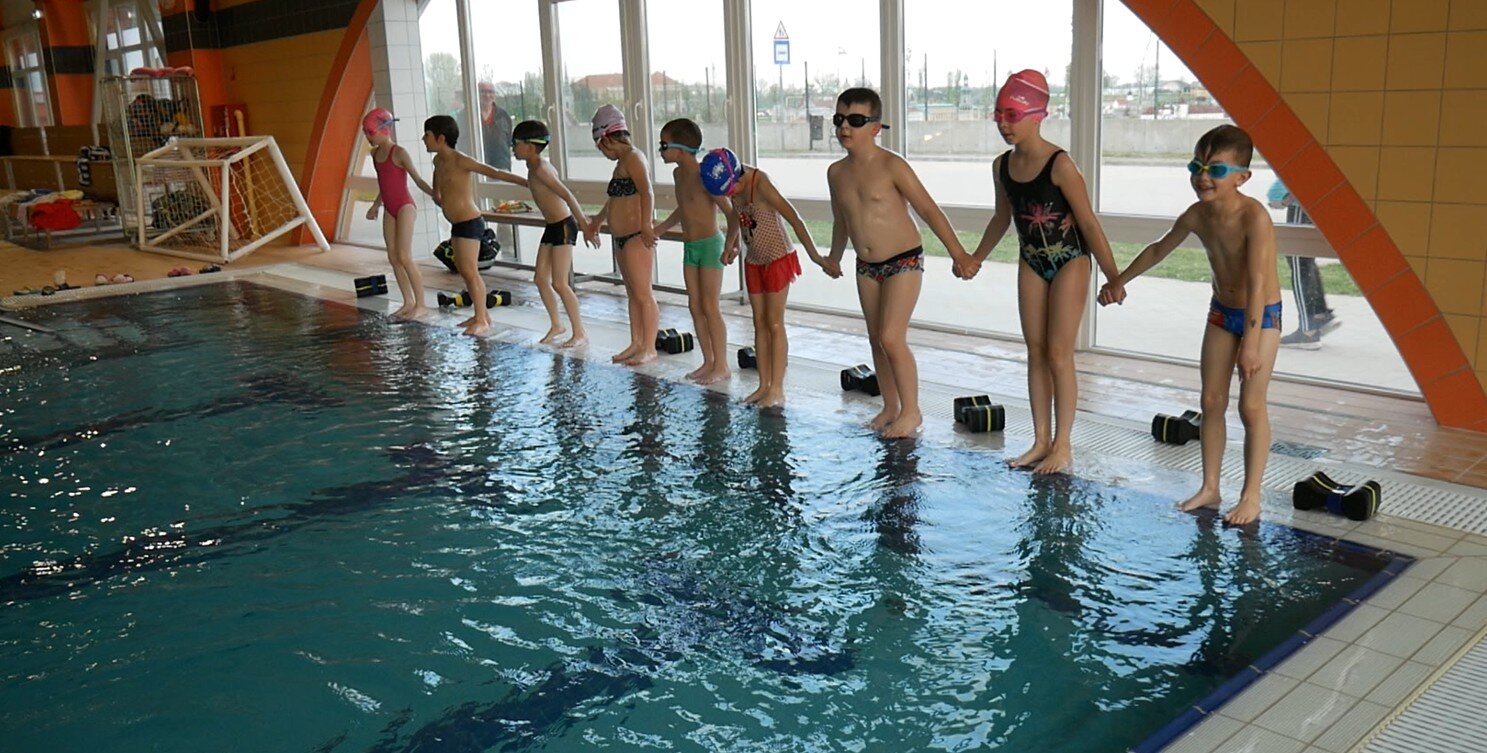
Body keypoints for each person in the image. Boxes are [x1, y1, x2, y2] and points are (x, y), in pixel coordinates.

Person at [1099, 124, 1282, 526]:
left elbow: (1257, 284)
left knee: (1251, 405)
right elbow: (1158, 250)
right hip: (1221, 312)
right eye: (1197, 166)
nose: (1203, 176)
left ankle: (1251, 497)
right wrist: (1119, 281)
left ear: (1242, 177)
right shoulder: (1197, 215)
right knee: (1211, 402)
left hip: (1262, 316)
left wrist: (1251, 344)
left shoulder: (1254, 217)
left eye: (1216, 170)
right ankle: (1210, 487)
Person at [971, 70, 1119, 473]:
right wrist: (975, 257)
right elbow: (1001, 218)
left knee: (1058, 353)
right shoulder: (1001, 166)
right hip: (1032, 261)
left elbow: (1088, 223)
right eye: (998, 114)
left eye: (1012, 115)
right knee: (1035, 351)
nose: (1004, 124)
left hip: (1070, 260)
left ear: (1038, 116)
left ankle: (1063, 445)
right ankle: (1040, 441)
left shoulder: (1060, 165)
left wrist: (1114, 276)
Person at [826, 87, 977, 439]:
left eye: (855, 120)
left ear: (875, 127)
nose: (845, 127)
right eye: (839, 119)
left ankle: (912, 411)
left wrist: (958, 253)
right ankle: (891, 407)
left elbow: (928, 210)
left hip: (903, 260)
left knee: (892, 337)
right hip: (866, 266)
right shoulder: (836, 173)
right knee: (876, 339)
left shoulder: (892, 165)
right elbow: (841, 220)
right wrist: (834, 256)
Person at [702, 147, 832, 407]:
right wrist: (730, 245)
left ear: (737, 175)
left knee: (774, 323)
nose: (731, 195)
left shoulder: (761, 183)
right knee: (758, 322)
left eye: (731, 190)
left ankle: (777, 389)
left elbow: (795, 219)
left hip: (777, 258)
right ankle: (763, 385)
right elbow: (736, 217)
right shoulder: (733, 186)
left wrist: (816, 256)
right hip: (754, 259)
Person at [422, 114, 527, 337]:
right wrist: (438, 195)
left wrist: (525, 182)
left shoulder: (461, 160)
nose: (423, 139)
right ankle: (482, 316)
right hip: (458, 224)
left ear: (441, 138)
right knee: (464, 270)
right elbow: (437, 183)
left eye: (427, 135)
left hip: (470, 222)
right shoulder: (438, 161)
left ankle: (482, 319)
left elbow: (494, 172)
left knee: (470, 271)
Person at [653, 118, 740, 385]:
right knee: (694, 305)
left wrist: (731, 244)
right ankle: (708, 361)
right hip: (690, 247)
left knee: (710, 307)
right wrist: (660, 229)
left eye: (663, 145)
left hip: (711, 246)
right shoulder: (678, 175)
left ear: (680, 150)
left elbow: (732, 213)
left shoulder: (706, 176)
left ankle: (722, 366)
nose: (660, 150)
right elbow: (683, 208)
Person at [582, 104, 660, 365]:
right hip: (621, 238)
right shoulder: (622, 163)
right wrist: (597, 220)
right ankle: (637, 342)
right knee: (632, 293)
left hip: (637, 236)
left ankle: (649, 346)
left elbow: (647, 192)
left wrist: (647, 225)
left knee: (643, 294)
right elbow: (615, 199)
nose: (601, 153)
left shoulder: (635, 158)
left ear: (606, 138)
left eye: (600, 147)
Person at [512, 120, 594, 348]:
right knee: (540, 278)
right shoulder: (533, 168)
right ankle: (557, 324)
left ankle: (580, 332)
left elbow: (568, 195)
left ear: (530, 146)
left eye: (515, 143)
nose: (512, 147)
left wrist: (584, 225)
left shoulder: (541, 169)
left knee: (559, 283)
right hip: (552, 226)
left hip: (564, 226)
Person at [362, 108, 436, 321]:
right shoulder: (375, 155)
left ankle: (421, 304)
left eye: (370, 132)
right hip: (389, 207)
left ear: (384, 129)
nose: (368, 137)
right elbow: (384, 184)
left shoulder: (399, 152)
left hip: (405, 207)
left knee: (404, 256)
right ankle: (408, 302)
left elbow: (418, 180)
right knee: (393, 257)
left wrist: (436, 195)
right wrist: (375, 205)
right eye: (366, 132)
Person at [1267, 179, 1338, 349]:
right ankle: (1319, 315)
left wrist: (1283, 196)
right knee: (1305, 259)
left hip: (1301, 206)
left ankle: (1308, 331)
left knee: (1299, 262)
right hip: (1313, 202)